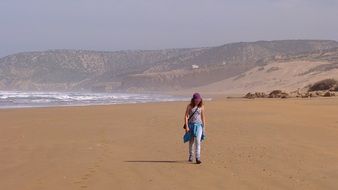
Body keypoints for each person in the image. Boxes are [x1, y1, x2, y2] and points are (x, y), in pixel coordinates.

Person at [184, 93, 206, 164]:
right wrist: (187, 126)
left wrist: (204, 127)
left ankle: (198, 157)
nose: (197, 101)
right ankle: (191, 155)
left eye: (199, 100)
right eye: (196, 100)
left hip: (199, 126)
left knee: (198, 141)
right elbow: (186, 116)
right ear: (193, 100)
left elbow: (203, 117)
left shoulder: (202, 106)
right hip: (191, 125)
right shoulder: (189, 106)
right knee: (191, 142)